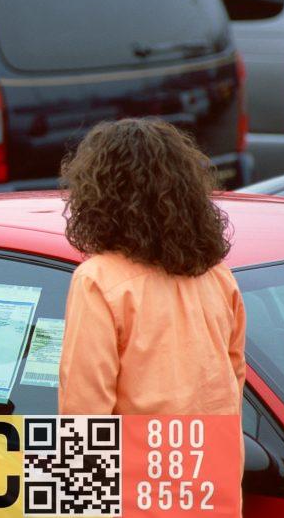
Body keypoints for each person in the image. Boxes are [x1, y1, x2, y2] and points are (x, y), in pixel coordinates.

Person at [57, 118, 246, 416]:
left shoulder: (98, 280)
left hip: (138, 460)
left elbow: (84, 409)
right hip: (210, 458)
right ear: (188, 192)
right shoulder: (218, 276)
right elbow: (232, 384)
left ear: (99, 196)